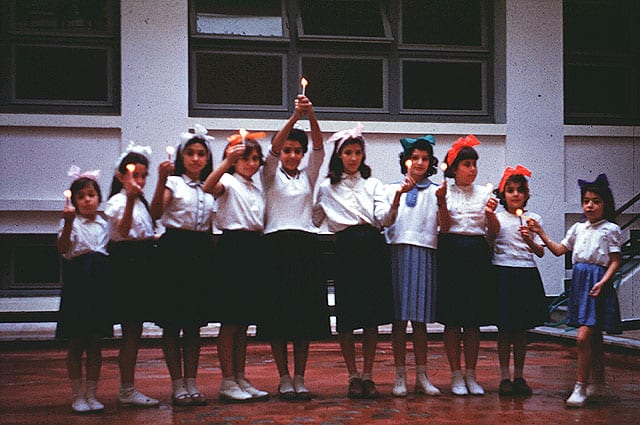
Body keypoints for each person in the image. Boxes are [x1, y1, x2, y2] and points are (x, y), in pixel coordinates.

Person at [313, 124, 412, 399]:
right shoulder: (326, 187)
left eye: (358, 152)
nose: (353, 157)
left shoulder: (374, 184)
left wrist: (396, 201)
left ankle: (368, 375)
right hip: (345, 248)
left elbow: (383, 219)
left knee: (370, 317)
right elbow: (315, 218)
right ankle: (352, 375)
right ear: (339, 155)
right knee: (347, 316)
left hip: (371, 247)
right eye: (348, 152)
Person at [527, 173, 622, 408]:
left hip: (598, 281)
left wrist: (603, 282)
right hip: (581, 281)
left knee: (583, 337)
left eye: (596, 201)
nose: (590, 205)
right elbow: (560, 250)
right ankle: (598, 383)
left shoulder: (610, 229)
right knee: (594, 337)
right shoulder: (578, 228)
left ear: (605, 204)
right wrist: (540, 233)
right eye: (586, 200)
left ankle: (580, 386)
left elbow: (615, 261)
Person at [261, 95, 330, 400]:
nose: (291, 155)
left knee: (303, 318)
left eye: (296, 151)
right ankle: (283, 377)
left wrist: (310, 115)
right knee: (278, 318)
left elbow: (319, 148)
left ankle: (300, 377)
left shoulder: (308, 175)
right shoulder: (268, 174)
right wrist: (293, 118)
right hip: (276, 246)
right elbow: (272, 149)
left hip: (304, 247)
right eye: (288, 150)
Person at [149, 125, 215, 406]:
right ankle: (177, 384)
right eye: (190, 153)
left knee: (194, 326)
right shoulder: (173, 183)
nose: (196, 159)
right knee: (172, 323)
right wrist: (161, 178)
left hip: (200, 252)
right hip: (174, 252)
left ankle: (192, 382)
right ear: (181, 156)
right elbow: (155, 212)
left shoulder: (212, 186)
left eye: (201, 154)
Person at [203, 131, 270, 402]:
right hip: (233, 248)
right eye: (244, 158)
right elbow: (208, 187)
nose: (251, 164)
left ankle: (241, 377)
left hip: (253, 247)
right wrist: (226, 163)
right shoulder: (227, 181)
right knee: (230, 322)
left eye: (255, 159)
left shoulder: (255, 187)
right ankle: (227, 380)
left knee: (243, 323)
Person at [435, 134, 499, 396]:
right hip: (451, 254)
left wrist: (491, 215)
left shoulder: (485, 193)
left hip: (476, 254)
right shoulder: (443, 191)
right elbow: (445, 227)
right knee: (453, 320)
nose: (472, 170)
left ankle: (472, 374)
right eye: (466, 165)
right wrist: (440, 203)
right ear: (454, 168)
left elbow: (492, 233)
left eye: (474, 164)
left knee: (473, 320)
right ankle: (455, 375)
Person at [384, 135, 442, 397]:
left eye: (425, 158)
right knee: (399, 321)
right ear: (405, 161)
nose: (419, 162)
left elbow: (443, 225)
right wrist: (399, 195)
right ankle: (399, 376)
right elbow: (385, 221)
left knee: (419, 322)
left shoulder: (437, 192)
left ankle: (422, 375)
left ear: (430, 162)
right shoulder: (390, 189)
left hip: (424, 253)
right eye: (414, 157)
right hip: (397, 253)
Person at [105, 143, 160, 407]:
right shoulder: (117, 201)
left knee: (135, 330)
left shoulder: (142, 203)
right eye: (132, 174)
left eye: (142, 175)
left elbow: (143, 232)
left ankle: (128, 387)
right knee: (130, 330)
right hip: (125, 265)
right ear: (120, 176)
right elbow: (124, 231)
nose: (138, 180)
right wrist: (127, 198)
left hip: (141, 263)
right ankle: (126, 389)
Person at [56, 167, 112, 413]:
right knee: (77, 342)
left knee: (95, 342)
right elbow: (62, 249)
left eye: (91, 194)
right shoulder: (71, 223)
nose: (87, 199)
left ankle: (92, 394)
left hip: (98, 286)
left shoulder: (104, 224)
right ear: (74, 201)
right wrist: (68, 223)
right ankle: (77, 395)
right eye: (81, 196)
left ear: (99, 198)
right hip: (78, 286)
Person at [491, 165, 547, 397]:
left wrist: (531, 240)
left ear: (526, 194)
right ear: (503, 194)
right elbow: (489, 239)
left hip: (525, 273)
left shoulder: (533, 219)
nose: (515, 194)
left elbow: (541, 252)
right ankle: (504, 377)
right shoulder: (496, 217)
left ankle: (520, 376)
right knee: (504, 330)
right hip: (503, 273)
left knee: (521, 331)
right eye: (510, 190)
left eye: (519, 190)